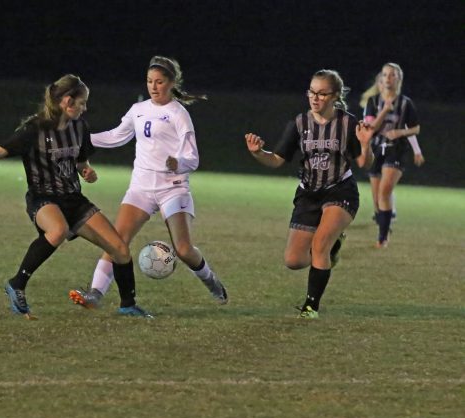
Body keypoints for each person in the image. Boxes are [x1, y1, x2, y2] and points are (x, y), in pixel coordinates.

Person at [0, 74, 152, 319]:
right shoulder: (35, 128)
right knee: (58, 230)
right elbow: (0, 151)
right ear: (67, 101)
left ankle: (128, 304)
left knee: (119, 248)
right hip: (43, 198)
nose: (84, 108)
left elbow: (81, 160)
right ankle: (17, 284)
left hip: (73, 199)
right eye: (82, 103)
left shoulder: (79, 128)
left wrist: (86, 171)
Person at [68, 56, 228, 311]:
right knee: (116, 241)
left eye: (159, 82)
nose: (153, 87)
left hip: (172, 188)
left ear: (171, 83)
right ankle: (95, 294)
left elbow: (193, 158)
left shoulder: (179, 114)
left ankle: (211, 282)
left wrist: (178, 163)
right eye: (149, 81)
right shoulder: (138, 109)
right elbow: (116, 136)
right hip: (141, 188)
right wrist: (80, 138)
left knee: (184, 249)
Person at [244, 69, 374, 319]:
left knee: (319, 244)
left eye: (322, 93)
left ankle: (311, 306)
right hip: (308, 194)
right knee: (293, 260)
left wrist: (366, 144)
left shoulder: (347, 123)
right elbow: (277, 160)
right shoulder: (299, 124)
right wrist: (258, 153)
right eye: (312, 92)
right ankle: (335, 246)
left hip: (340, 190)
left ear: (335, 96)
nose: (315, 98)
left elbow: (364, 163)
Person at [360, 63, 422, 246]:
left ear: (398, 79)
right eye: (385, 74)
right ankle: (385, 227)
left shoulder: (406, 103)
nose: (388, 78)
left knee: (385, 191)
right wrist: (385, 110)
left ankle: (382, 238)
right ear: (381, 79)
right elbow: (370, 129)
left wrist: (400, 133)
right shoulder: (372, 102)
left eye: (392, 75)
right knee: (377, 199)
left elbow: (416, 128)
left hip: (397, 150)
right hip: (376, 150)